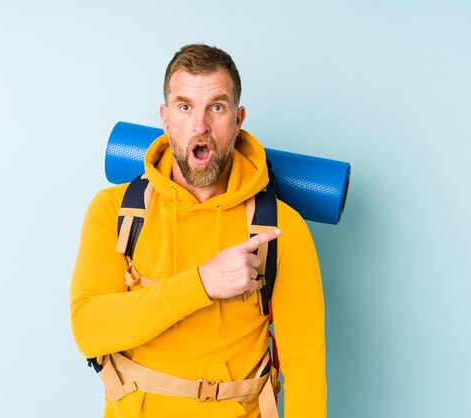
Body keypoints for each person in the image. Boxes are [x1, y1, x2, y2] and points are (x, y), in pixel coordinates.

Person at [70, 44, 326, 417]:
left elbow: (305, 370)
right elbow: (88, 330)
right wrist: (202, 284)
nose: (200, 125)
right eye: (185, 106)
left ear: (238, 120)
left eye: (216, 107)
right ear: (165, 117)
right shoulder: (115, 211)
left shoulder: (280, 229)